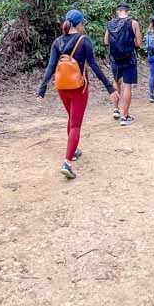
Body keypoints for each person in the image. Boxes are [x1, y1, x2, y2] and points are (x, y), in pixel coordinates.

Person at [37, 9, 119, 179]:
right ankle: (67, 162)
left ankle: (73, 152)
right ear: (80, 23)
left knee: (71, 119)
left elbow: (51, 67)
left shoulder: (57, 42)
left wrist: (42, 89)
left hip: (61, 87)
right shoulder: (84, 41)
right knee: (75, 124)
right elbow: (94, 66)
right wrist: (110, 88)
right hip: (79, 88)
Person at [104, 2, 142, 125]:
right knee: (127, 85)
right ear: (128, 11)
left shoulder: (110, 24)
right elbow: (138, 43)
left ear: (117, 12)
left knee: (116, 82)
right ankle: (124, 116)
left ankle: (116, 109)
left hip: (115, 58)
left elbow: (106, 41)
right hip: (129, 58)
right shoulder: (133, 23)